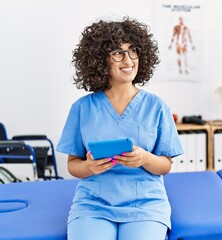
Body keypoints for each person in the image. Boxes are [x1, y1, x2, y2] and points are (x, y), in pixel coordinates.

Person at [57, 16, 183, 240]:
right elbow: (73, 165)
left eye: (133, 50)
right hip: (93, 204)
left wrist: (144, 158)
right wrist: (90, 167)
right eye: (117, 52)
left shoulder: (157, 107)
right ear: (99, 60)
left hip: (145, 203)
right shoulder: (82, 108)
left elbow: (165, 166)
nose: (128, 59)